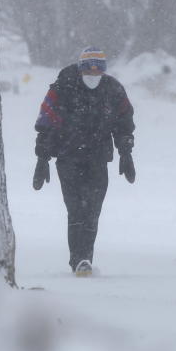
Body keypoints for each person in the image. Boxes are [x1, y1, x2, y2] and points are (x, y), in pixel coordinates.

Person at [32, 47, 136, 277]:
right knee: (76, 209)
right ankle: (79, 259)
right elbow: (47, 123)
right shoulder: (62, 89)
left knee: (93, 211)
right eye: (88, 67)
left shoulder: (113, 90)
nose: (93, 73)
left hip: (98, 160)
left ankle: (86, 257)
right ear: (79, 68)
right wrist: (42, 157)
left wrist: (126, 152)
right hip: (68, 158)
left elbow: (124, 123)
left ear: (104, 70)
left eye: (98, 69)